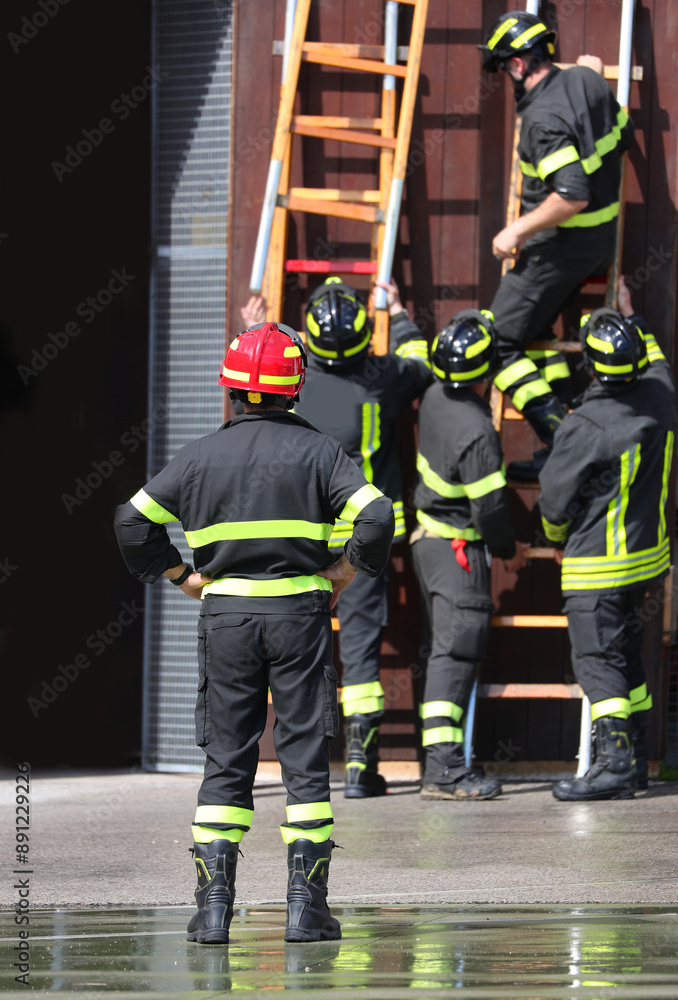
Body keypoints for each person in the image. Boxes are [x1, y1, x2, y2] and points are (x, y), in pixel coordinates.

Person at [114, 321, 394, 942]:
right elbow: (375, 515)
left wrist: (179, 575)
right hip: (300, 617)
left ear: (232, 389)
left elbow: (132, 521)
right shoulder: (322, 452)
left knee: (227, 758)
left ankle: (213, 912)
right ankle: (306, 910)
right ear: (295, 388)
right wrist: (343, 569)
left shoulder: (199, 456)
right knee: (303, 761)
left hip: (227, 620)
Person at [241, 277, 431, 798]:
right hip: (362, 543)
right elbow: (419, 362)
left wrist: (256, 326)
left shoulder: (294, 384)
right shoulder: (383, 378)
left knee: (294, 648)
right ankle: (360, 767)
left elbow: (260, 381)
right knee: (363, 654)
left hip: (302, 539)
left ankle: (290, 764)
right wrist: (399, 309)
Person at [478, 11, 635, 479]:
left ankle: (564, 438)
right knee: (541, 331)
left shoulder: (542, 120)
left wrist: (516, 231)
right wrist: (592, 76)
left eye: (506, 67)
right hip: (599, 241)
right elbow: (623, 135)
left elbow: (571, 194)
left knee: (496, 344)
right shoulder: (589, 78)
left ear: (521, 64)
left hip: (560, 245)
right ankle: (573, 419)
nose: (508, 76)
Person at [539, 277, 676, 800]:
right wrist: (631, 314)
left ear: (592, 366)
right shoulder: (661, 396)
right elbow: (659, 359)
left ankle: (615, 767)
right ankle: (637, 762)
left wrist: (554, 537)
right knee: (627, 659)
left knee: (598, 661)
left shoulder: (586, 424)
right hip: (649, 562)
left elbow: (554, 501)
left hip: (597, 567)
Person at [410, 309, 528, 799]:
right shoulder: (478, 428)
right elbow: (491, 508)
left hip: (429, 544)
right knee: (455, 657)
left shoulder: (435, 395)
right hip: (458, 552)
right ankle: (444, 772)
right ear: (485, 370)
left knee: (445, 653)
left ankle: (441, 766)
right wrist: (507, 549)